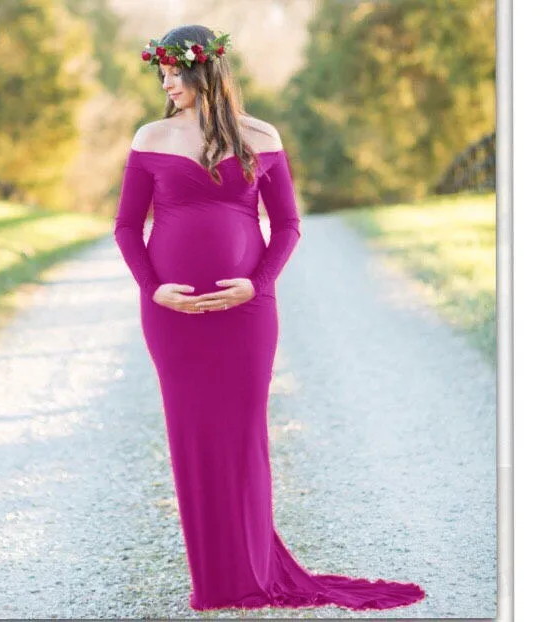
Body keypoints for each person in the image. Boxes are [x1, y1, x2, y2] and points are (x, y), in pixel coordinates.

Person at [113, 24, 426, 612]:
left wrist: (255, 285)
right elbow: (127, 226)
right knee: (191, 436)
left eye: (174, 73)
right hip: (173, 316)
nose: (166, 83)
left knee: (243, 434)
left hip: (248, 314)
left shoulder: (262, 136)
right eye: (160, 74)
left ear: (205, 69)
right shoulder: (150, 136)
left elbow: (287, 225)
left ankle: (251, 571)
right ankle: (214, 581)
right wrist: (155, 291)